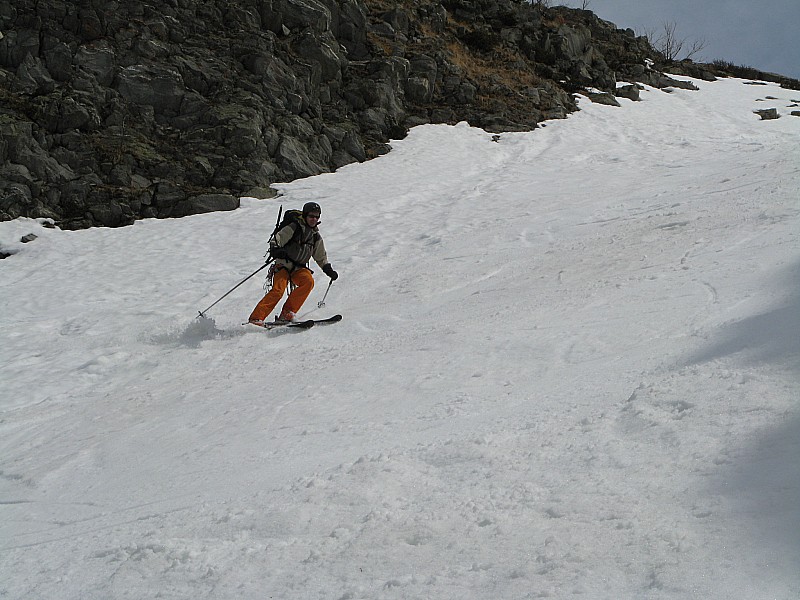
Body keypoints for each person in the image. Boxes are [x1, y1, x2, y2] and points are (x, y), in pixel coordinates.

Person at [248, 202, 338, 326]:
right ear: (305, 215)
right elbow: (277, 239)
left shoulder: (315, 236)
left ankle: (287, 313)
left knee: (308, 282)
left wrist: (328, 269)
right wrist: (276, 250)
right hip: (283, 265)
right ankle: (256, 318)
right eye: (311, 216)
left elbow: (320, 257)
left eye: (317, 217)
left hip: (299, 268)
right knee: (278, 290)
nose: (314, 219)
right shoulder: (294, 227)